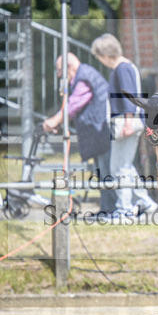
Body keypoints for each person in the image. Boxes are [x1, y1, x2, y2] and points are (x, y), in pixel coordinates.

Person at [90, 33, 158, 222]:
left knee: (118, 168)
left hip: (126, 121)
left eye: (99, 56)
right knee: (125, 166)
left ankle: (125, 210)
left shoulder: (121, 68)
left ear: (105, 54)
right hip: (128, 121)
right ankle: (145, 201)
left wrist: (128, 122)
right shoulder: (126, 67)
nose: (100, 60)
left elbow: (130, 97)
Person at [42, 53, 115, 214]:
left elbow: (73, 106)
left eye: (59, 70)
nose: (59, 75)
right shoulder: (85, 75)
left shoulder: (84, 78)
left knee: (105, 172)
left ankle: (112, 209)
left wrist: (54, 121)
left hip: (100, 132)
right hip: (98, 132)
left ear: (70, 67)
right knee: (102, 172)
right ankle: (107, 208)